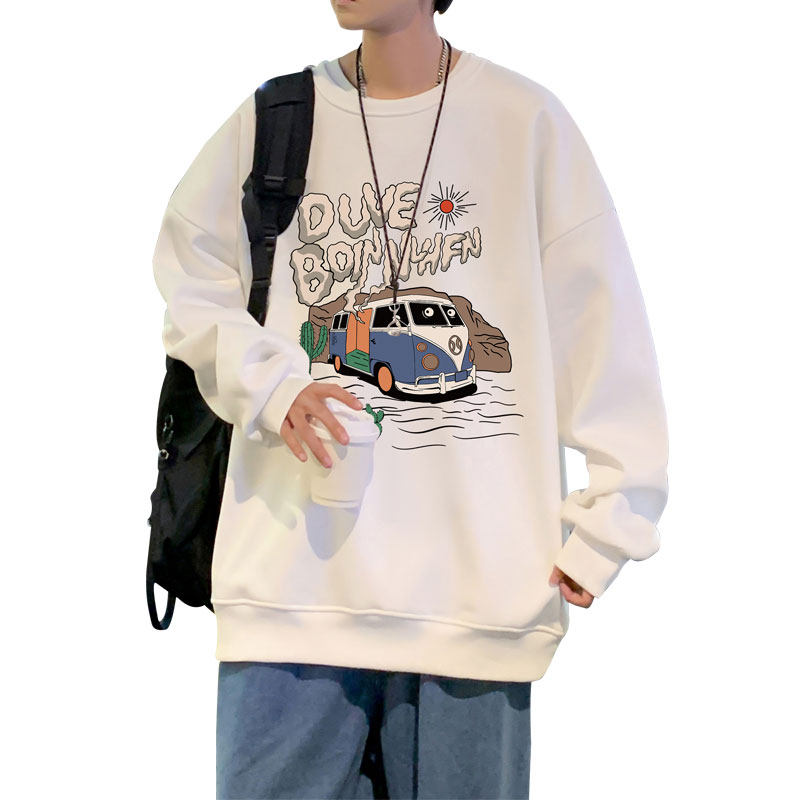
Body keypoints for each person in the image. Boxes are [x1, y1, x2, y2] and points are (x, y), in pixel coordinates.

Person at [151, 0, 670, 797]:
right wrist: (271, 383)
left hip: (476, 602)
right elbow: (191, 274)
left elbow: (603, 325)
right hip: (290, 591)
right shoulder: (277, 117)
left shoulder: (525, 122)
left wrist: (613, 518)